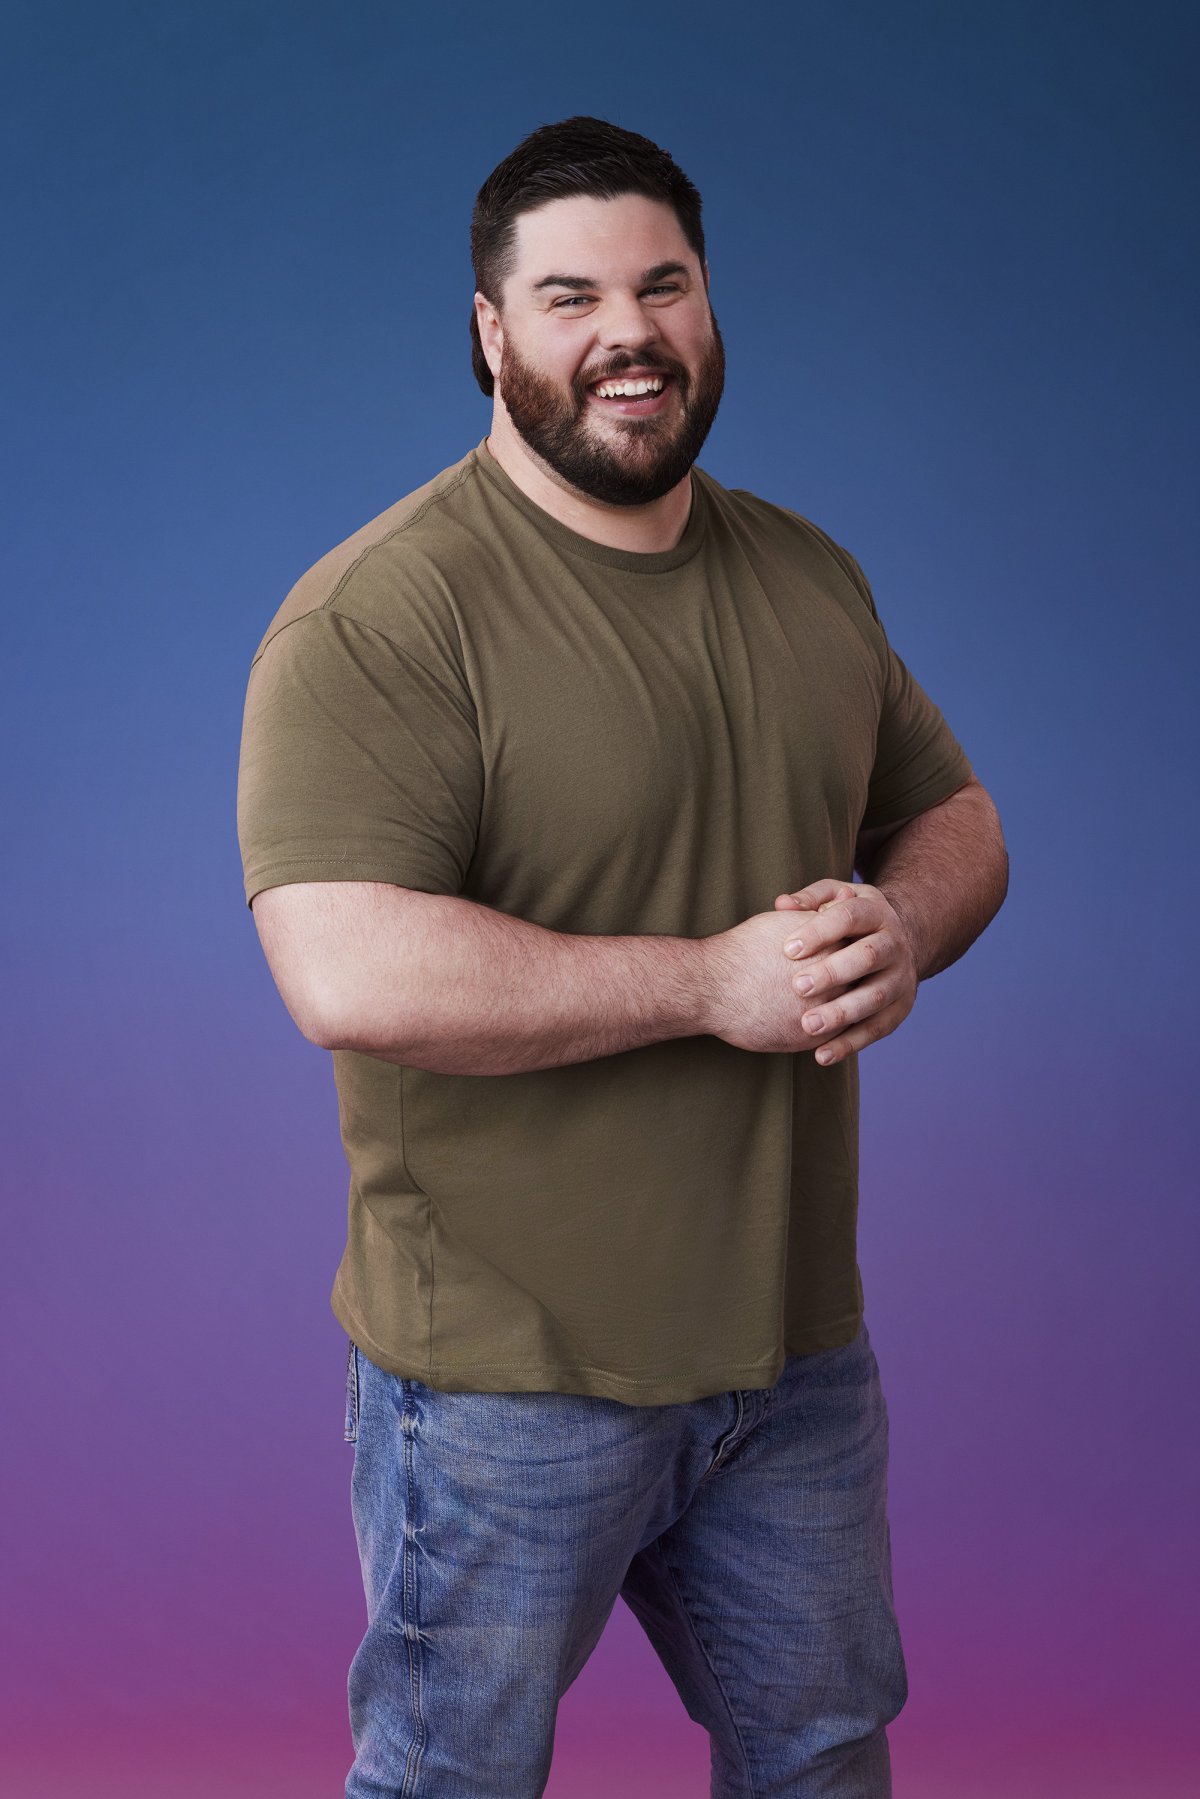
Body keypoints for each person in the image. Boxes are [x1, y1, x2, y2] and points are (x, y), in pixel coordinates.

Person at [236, 115, 1007, 1799]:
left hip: (793, 1358)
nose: (629, 333)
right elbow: (346, 970)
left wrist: (903, 926)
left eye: (663, 286)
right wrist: (710, 985)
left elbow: (955, 818)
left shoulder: (809, 576)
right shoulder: (383, 615)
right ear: (489, 331)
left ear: (710, 307)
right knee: (451, 1783)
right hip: (504, 1378)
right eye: (570, 296)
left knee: (821, 1766)